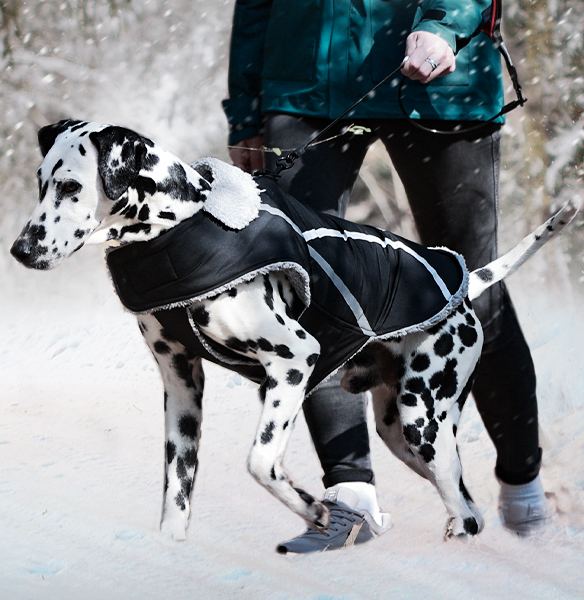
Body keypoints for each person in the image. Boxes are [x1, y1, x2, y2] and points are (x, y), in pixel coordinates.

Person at [224, 0, 551, 553]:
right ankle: (350, 493)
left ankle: (522, 480)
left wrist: (446, 24)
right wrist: (246, 108)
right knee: (305, 292)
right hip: (306, 79)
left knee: (471, 290)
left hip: (440, 80)